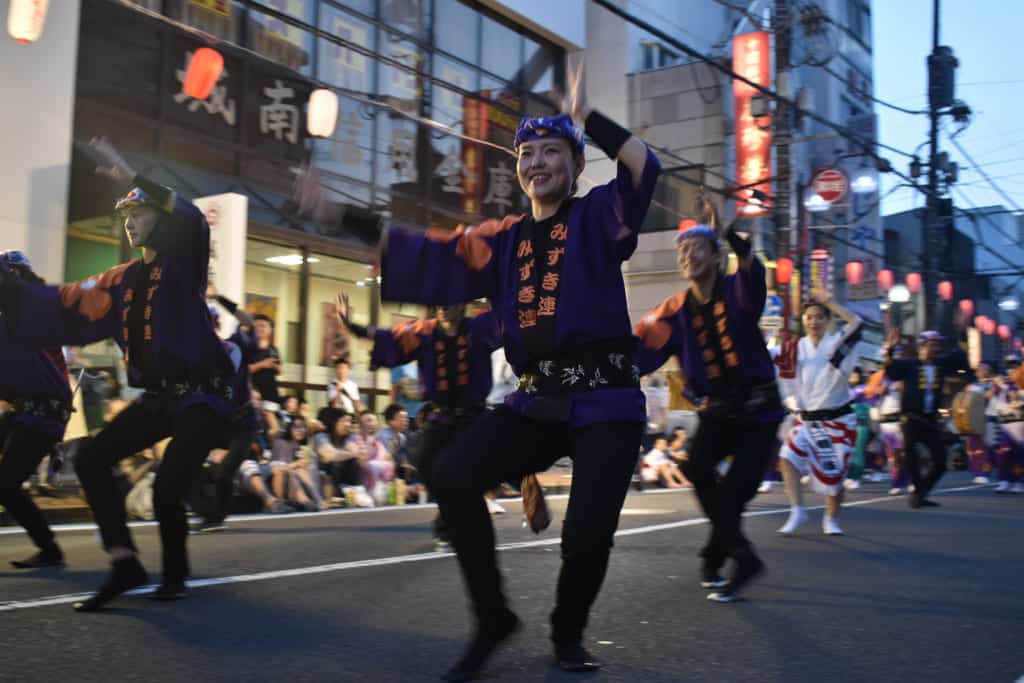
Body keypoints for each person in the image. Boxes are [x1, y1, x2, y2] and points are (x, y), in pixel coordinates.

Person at [379, 73, 660, 678]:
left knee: (585, 536)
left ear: (576, 164)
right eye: (527, 154)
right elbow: (432, 253)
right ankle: (493, 618)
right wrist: (339, 216)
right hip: (537, 401)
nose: (537, 163)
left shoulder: (598, 217)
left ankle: (566, 633)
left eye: (552, 151)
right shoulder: (502, 241)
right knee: (452, 474)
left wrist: (589, 116)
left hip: (607, 399)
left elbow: (642, 167)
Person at [0, 137, 235, 610]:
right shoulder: (120, 280)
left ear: (160, 219)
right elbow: (64, 303)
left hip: (203, 396)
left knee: (168, 488)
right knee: (90, 458)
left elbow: (189, 217)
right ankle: (124, 561)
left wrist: (131, 176)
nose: (130, 224)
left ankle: (174, 574)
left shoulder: (182, 265)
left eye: (140, 214)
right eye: (125, 217)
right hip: (160, 398)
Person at [635, 195, 783, 604]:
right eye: (683, 249)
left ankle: (714, 556)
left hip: (760, 410)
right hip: (718, 411)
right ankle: (740, 556)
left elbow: (750, 270)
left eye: (697, 247)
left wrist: (727, 236)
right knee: (697, 467)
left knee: (736, 493)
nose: (687, 255)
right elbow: (637, 347)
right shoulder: (675, 310)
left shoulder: (738, 290)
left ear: (717, 256)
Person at [336, 298, 505, 542]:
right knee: (424, 461)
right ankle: (450, 510)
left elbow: (511, 319)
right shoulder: (423, 332)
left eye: (449, 301)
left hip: (474, 416)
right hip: (440, 415)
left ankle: (457, 517)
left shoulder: (479, 328)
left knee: (471, 471)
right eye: (440, 303)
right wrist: (353, 325)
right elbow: (387, 336)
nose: (444, 307)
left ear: (462, 305)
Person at [0, 251, 72, 568]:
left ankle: (50, 549)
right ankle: (49, 549)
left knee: (5, 484)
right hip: (30, 409)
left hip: (43, 411)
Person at [775, 298, 864, 536]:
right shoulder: (793, 349)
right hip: (807, 421)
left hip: (838, 421)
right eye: (809, 317)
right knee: (787, 457)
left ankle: (831, 518)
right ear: (803, 321)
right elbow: (766, 359)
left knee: (834, 478)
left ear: (828, 321)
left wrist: (829, 302)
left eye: (819, 317)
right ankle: (797, 509)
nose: (814, 321)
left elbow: (857, 322)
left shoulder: (837, 345)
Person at [883, 329, 969, 508]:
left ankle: (920, 492)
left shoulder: (941, 364)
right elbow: (891, 371)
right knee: (910, 452)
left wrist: (963, 332)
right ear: (922, 346)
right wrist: (890, 350)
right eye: (932, 344)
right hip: (911, 418)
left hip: (930, 420)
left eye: (938, 345)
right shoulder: (910, 365)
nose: (936, 348)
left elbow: (961, 355)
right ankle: (918, 492)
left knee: (940, 460)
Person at [992, 356, 1024, 494]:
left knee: (1019, 454)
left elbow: (1018, 403)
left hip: (1020, 424)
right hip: (1006, 424)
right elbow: (994, 403)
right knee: (1004, 453)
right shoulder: (1004, 386)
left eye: (1015, 366)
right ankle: (1004, 480)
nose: (1011, 370)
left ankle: (1019, 482)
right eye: (1009, 367)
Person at [965, 362, 998, 484]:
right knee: (975, 448)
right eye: (979, 369)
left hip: (991, 418)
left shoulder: (996, 384)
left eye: (985, 369)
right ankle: (978, 473)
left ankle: (985, 473)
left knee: (989, 447)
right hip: (975, 420)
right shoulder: (971, 386)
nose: (982, 371)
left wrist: (995, 386)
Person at [249, 314, 282, 410]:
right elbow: (243, 370)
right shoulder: (248, 347)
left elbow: (280, 371)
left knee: (271, 419)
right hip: (252, 393)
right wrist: (263, 364)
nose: (260, 329)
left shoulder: (273, 349)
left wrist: (274, 366)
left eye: (263, 326)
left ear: (270, 330)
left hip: (270, 392)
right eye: (257, 326)